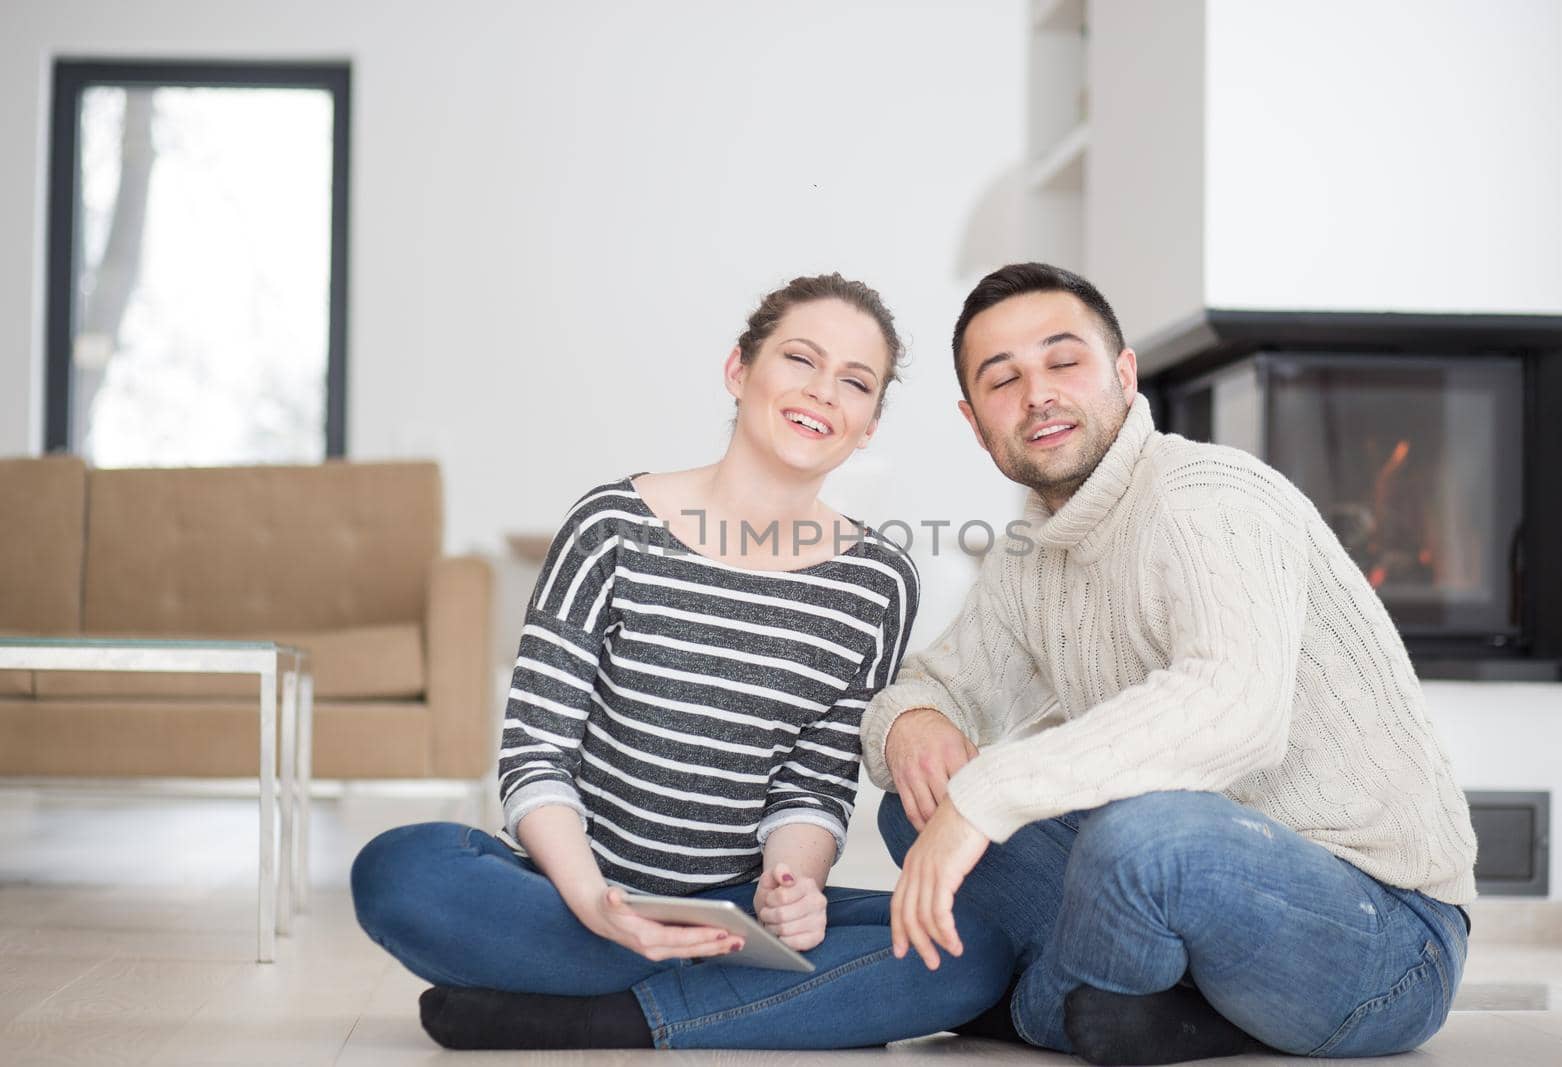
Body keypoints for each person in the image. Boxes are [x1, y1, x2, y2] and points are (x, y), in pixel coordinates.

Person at [350, 273, 1012, 1051]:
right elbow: (534, 754)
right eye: (800, 359)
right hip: (567, 890)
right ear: (739, 370)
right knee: (398, 869)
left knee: (971, 945)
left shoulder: (877, 581)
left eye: (855, 382)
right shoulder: (611, 527)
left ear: (868, 425)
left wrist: (791, 885)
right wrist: (596, 900)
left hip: (731, 910)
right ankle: (735, 1001)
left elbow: (812, 783)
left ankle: (603, 1013)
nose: (823, 392)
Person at [870, 262, 1477, 1064]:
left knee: (1142, 837)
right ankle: (1130, 1010)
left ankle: (1047, 1004)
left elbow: (1235, 706)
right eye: (1003, 380)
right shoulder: (1034, 555)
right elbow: (936, 684)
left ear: (1123, 373)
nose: (1038, 394)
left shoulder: (1207, 497)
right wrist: (913, 724)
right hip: (1191, 884)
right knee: (915, 808)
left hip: (1387, 935)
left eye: (1064, 361)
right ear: (976, 423)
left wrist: (989, 794)